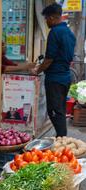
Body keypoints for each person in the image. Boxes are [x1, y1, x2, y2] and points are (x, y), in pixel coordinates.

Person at [32, 2, 76, 137]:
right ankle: (60, 137)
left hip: (55, 79)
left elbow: (49, 59)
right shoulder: (69, 32)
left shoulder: (54, 32)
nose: (46, 22)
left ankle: (62, 138)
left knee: (54, 111)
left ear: (51, 18)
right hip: (65, 77)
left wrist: (36, 71)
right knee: (60, 109)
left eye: (46, 19)